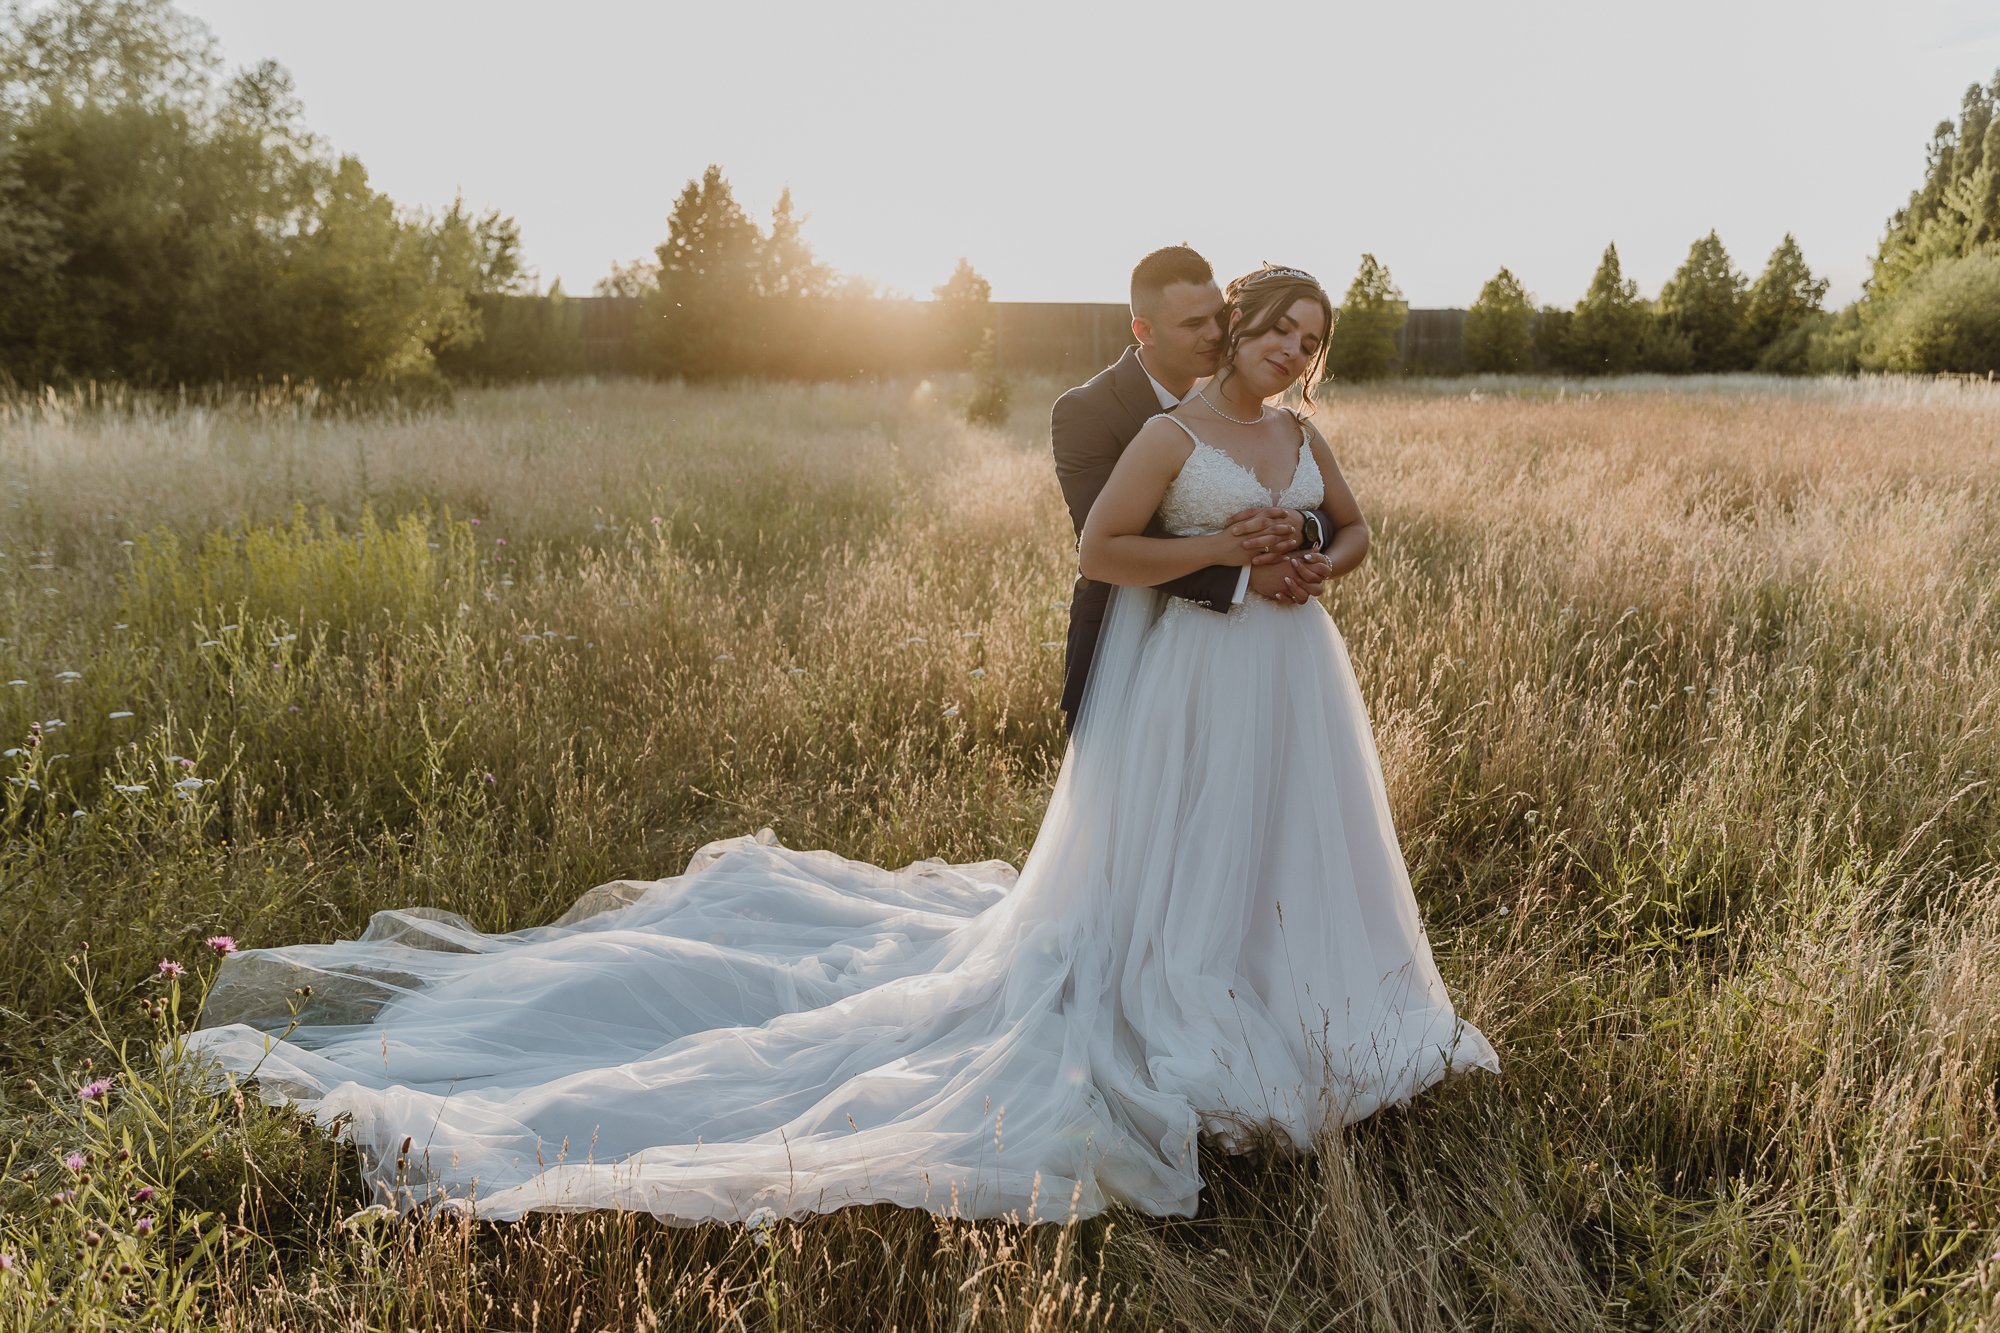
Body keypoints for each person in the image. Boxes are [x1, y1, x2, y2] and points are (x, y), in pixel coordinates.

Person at [186, 263, 1498, 1228]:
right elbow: (1103, 549)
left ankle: (1311, 996)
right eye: (1271, 326)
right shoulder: (1161, 429)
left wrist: (1314, 567)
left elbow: (1352, 528)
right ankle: (1188, 996)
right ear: (1225, 330)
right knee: (1184, 850)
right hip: (1191, 672)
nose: (1283, 348)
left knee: (1290, 840)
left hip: (1295, 668)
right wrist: (1226, 550)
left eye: (1305, 338)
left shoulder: (1305, 433)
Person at [1050, 245, 1341, 730]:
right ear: (1144, 330)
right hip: (1126, 637)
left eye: (1218, 317)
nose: (1213, 335)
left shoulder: (1251, 399)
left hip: (1250, 650)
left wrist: (1306, 528)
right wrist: (1244, 577)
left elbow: (1305, 497)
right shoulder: (1088, 411)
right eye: (1191, 325)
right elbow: (1109, 543)